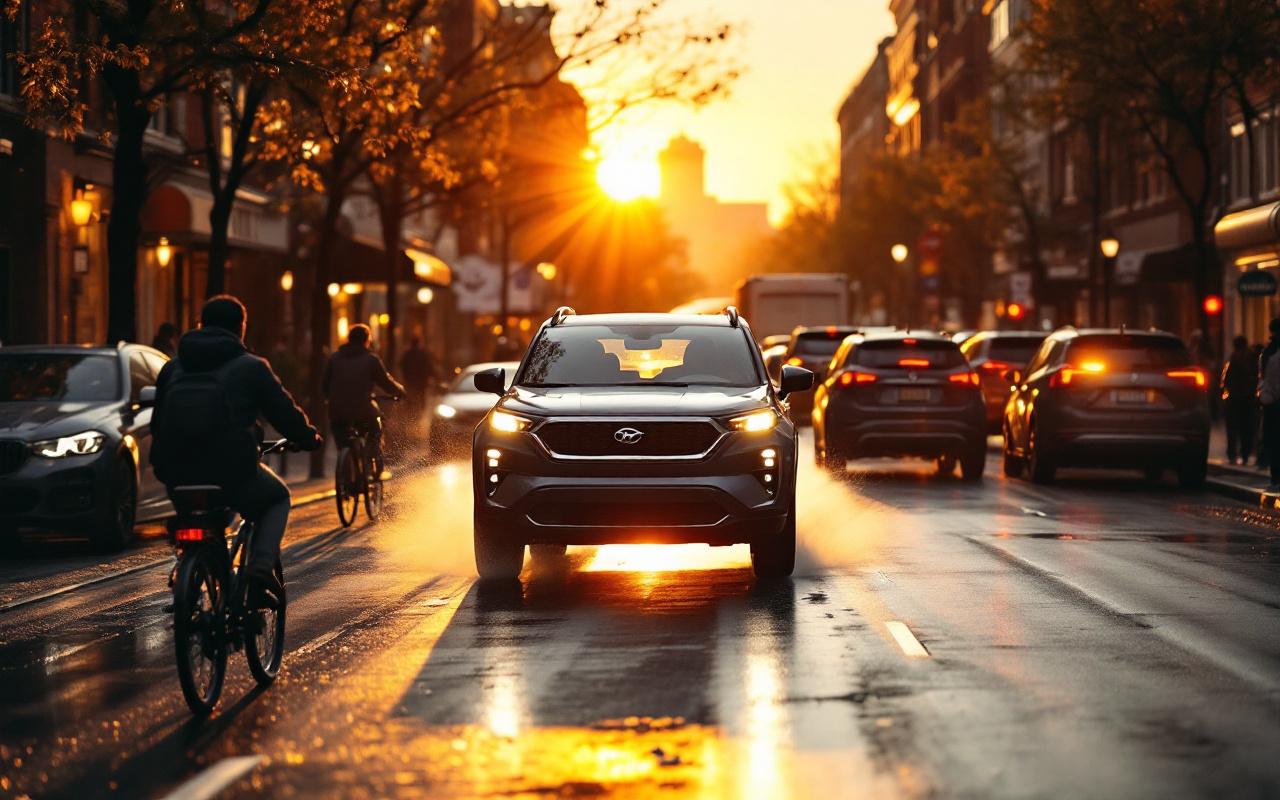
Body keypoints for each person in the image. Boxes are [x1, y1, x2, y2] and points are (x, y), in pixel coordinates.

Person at [150, 296, 322, 604]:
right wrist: (309, 438)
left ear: (200, 325)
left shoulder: (172, 368)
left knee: (197, 518)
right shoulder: (251, 367)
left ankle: (186, 571)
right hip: (231, 470)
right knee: (276, 498)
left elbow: (157, 423)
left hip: (176, 473)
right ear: (240, 328)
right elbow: (284, 413)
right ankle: (260, 568)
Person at [323, 324, 404, 455]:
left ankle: (346, 455)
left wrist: (331, 399)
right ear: (367, 341)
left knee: (340, 431)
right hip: (363, 408)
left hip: (337, 410)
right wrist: (399, 391)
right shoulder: (371, 359)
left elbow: (325, 385)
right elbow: (386, 383)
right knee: (376, 426)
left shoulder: (334, 358)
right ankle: (371, 457)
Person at [1221, 335, 1258, 465]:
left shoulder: (1233, 358)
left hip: (1235, 398)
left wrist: (1226, 392)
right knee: (1246, 428)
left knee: (1233, 428)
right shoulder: (1252, 357)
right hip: (1248, 398)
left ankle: (1233, 454)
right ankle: (1245, 453)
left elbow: (1226, 380)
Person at [1258, 319, 1280, 491]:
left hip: (1271, 402)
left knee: (1273, 440)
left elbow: (1264, 379)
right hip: (1273, 401)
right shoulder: (1269, 353)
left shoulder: (1267, 353)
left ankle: (1275, 477)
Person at [399, 336, 435, 416]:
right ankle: (420, 413)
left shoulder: (407, 354)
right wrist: (432, 376)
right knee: (421, 397)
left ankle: (411, 413)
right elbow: (429, 367)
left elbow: (401, 365)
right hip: (421, 382)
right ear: (418, 343)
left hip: (410, 381)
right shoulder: (423, 354)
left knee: (411, 397)